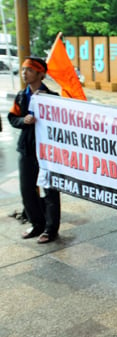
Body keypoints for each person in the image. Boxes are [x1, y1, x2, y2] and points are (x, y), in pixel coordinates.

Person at [8, 57, 61, 243]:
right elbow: (12, 117)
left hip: (48, 153)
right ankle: (36, 224)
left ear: (41, 74)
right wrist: (24, 121)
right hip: (27, 150)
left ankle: (50, 229)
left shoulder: (52, 98)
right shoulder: (22, 96)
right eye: (23, 70)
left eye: (29, 70)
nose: (24, 73)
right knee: (27, 189)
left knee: (50, 190)